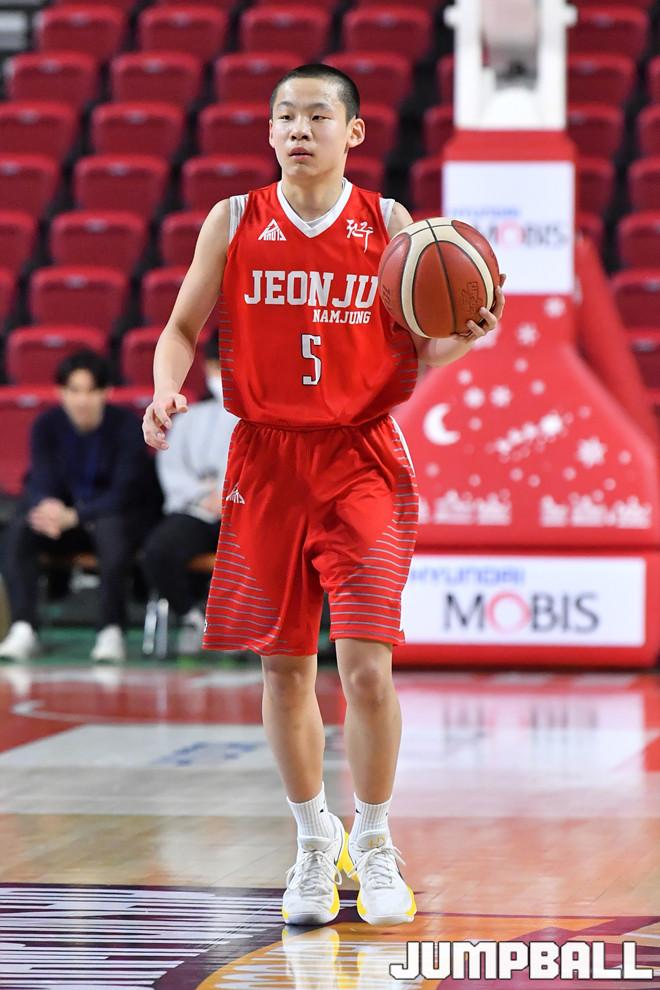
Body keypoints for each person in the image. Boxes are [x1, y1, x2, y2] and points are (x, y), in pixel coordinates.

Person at [142, 64, 505, 927]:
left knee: (368, 667)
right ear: (270, 133)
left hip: (361, 457)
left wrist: (467, 335)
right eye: (284, 117)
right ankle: (313, 842)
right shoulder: (234, 219)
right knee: (284, 667)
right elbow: (182, 328)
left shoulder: (391, 225)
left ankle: (374, 840)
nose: (298, 129)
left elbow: (421, 348)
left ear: (353, 132)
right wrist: (165, 388)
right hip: (265, 460)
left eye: (316, 116)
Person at [0, 349, 160, 664]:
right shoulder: (46, 425)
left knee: (113, 533)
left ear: (106, 392)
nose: (82, 400)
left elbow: (125, 491)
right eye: (74, 390)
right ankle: (23, 627)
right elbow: (40, 476)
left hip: (111, 517)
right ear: (61, 392)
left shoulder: (127, 426)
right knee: (20, 530)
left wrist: (76, 515)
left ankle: (111, 629)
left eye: (90, 391)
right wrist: (48, 506)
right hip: (63, 522)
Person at [141, 333, 238, 655]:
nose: (224, 373)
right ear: (208, 367)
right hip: (196, 509)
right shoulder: (190, 417)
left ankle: (241, 624)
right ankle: (192, 617)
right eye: (219, 365)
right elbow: (171, 467)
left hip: (244, 512)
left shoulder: (261, 417)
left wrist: (229, 497)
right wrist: (201, 496)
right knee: (158, 550)